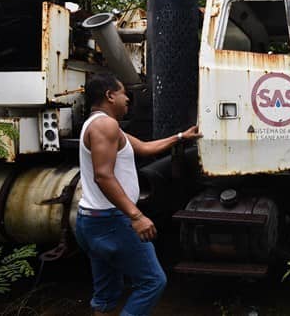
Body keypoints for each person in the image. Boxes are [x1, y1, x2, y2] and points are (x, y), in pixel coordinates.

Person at [75, 73, 201, 316]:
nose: (128, 100)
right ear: (110, 96)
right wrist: (136, 216)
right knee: (153, 282)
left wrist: (180, 137)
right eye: (124, 94)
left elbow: (144, 147)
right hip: (111, 222)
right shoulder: (105, 125)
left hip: (91, 221)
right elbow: (103, 175)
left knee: (106, 295)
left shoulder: (98, 124)